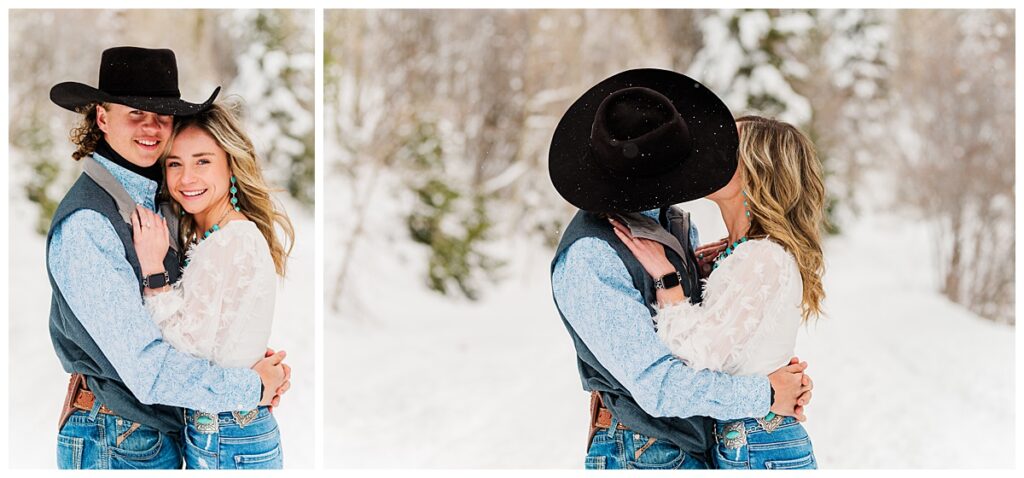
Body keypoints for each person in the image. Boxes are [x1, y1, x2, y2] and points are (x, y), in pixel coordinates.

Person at [548, 69, 813, 470]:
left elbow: (718, 340)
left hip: (696, 443)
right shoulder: (591, 254)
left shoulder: (673, 225)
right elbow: (658, 384)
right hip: (643, 450)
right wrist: (766, 393)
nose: (712, 150)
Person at [47, 46, 289, 470]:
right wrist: (248, 387)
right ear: (102, 117)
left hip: (150, 432)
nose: (151, 128)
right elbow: (147, 368)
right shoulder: (89, 223)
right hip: (113, 435)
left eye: (161, 116)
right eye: (135, 114)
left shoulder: (156, 199)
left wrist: (236, 349)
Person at [610, 114, 824, 469]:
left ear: (756, 171)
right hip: (750, 445)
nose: (711, 154)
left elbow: (693, 354)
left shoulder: (762, 256)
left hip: (760, 448)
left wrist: (667, 279)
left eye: (727, 148)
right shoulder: (746, 254)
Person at [132, 102, 294, 469]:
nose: (187, 178)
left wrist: (154, 273)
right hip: (224, 428)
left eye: (202, 161)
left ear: (230, 164)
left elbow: (188, 346)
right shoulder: (218, 236)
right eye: (175, 164)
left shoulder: (230, 241)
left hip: (226, 432)